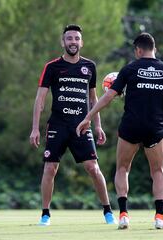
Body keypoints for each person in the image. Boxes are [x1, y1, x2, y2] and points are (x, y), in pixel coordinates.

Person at [76, 32, 163, 230]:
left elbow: (108, 97)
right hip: (155, 129)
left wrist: (88, 117)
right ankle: (159, 217)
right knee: (157, 171)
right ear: (154, 48)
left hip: (131, 127)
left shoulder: (129, 69)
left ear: (138, 50)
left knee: (123, 169)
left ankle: (123, 215)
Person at [29, 24, 117, 226]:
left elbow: (94, 100)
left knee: (93, 168)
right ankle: (45, 214)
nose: (73, 42)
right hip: (58, 125)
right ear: (63, 42)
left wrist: (97, 126)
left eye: (76, 38)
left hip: (81, 126)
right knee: (50, 168)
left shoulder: (90, 67)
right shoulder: (52, 67)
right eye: (69, 38)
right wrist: (35, 127)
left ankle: (108, 212)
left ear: (81, 42)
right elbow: (40, 99)